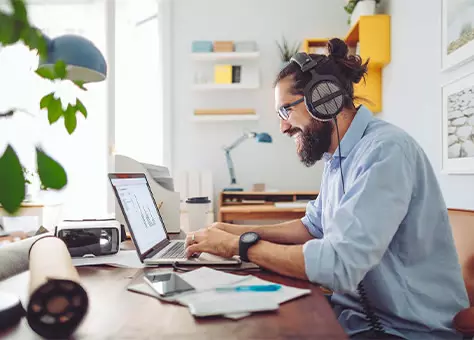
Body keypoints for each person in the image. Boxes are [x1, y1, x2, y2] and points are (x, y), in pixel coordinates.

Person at [184, 38, 469, 339]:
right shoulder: (338, 157)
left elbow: (339, 265)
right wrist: (231, 231)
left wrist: (239, 247)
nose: (282, 127)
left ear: (322, 100)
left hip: (405, 329)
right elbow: (312, 227)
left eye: (285, 112)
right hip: (355, 315)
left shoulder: (386, 151)